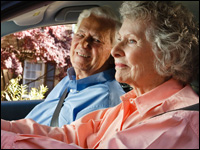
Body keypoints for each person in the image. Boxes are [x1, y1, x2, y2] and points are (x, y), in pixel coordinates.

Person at [1, 1, 199, 149]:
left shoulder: (176, 125)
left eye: (131, 41)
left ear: (167, 56)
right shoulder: (129, 105)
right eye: (119, 39)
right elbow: (70, 135)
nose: (115, 51)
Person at [24, 6, 125, 127]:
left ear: (112, 54)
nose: (84, 43)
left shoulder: (104, 100)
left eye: (97, 40)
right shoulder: (71, 80)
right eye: (80, 35)